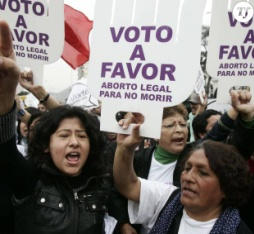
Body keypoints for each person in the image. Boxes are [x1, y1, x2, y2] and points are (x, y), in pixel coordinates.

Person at [0, 20, 134, 234]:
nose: (74, 142)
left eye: (82, 136)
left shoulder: (99, 184)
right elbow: (4, 151)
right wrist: (5, 96)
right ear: (46, 145)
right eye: (64, 135)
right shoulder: (30, 180)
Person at [113, 128, 253, 233]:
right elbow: (128, 185)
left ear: (226, 187)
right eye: (187, 168)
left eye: (203, 173)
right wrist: (125, 148)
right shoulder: (168, 199)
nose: (188, 177)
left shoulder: (238, 230)